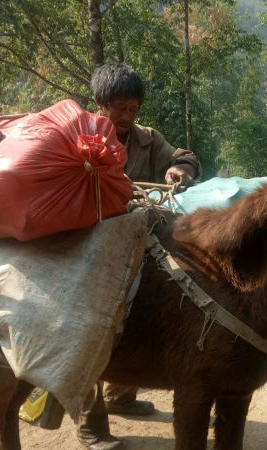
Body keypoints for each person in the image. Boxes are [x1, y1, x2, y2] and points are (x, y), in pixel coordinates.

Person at [77, 63, 201, 450]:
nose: (127, 117)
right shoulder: (77, 135)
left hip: (138, 243)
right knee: (95, 324)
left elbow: (184, 156)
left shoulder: (148, 140)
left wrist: (180, 169)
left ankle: (121, 396)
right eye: (119, 108)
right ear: (99, 103)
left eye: (133, 109)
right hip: (88, 248)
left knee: (140, 315)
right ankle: (90, 422)